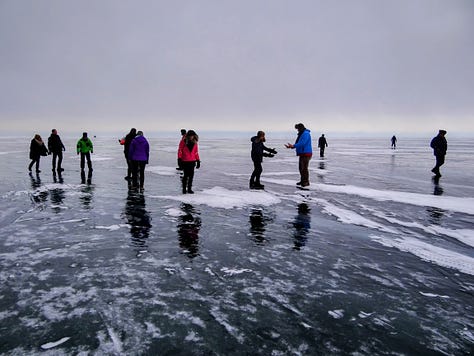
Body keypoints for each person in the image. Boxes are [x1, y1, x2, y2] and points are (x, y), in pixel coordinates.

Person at [285, 123, 313, 187]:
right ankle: (302, 180)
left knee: (304, 168)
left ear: (301, 128)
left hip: (306, 153)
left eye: (298, 129)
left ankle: (306, 182)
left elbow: (302, 143)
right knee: (301, 168)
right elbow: (299, 143)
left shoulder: (305, 134)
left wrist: (293, 146)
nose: (297, 130)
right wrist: (292, 146)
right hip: (302, 153)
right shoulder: (302, 133)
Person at [178, 130, 200, 194]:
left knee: (191, 176)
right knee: (185, 176)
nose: (191, 137)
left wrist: (198, 160)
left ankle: (189, 189)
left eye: (192, 136)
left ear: (194, 136)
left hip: (192, 161)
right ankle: (184, 189)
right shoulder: (183, 141)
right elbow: (180, 151)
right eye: (190, 136)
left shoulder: (195, 143)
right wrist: (179, 159)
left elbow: (196, 153)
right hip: (185, 161)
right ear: (188, 136)